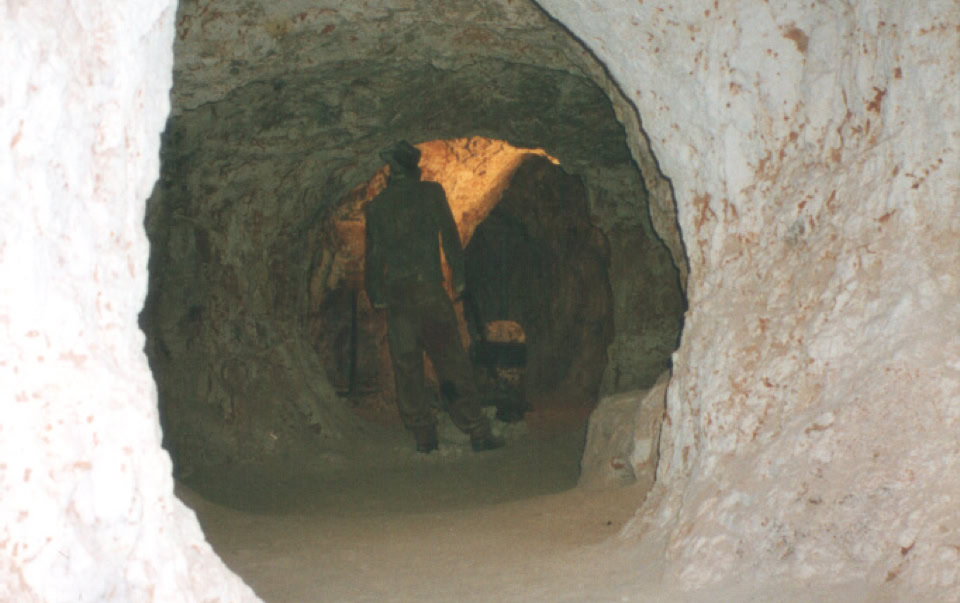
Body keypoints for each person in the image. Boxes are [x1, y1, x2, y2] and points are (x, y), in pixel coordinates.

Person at [363, 140, 505, 453]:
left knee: (407, 367)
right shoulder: (430, 193)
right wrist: (459, 276)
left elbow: (373, 256)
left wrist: (376, 293)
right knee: (451, 362)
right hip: (428, 291)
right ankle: (476, 430)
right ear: (414, 168)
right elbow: (449, 235)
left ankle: (423, 436)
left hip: (398, 297)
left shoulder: (378, 206)